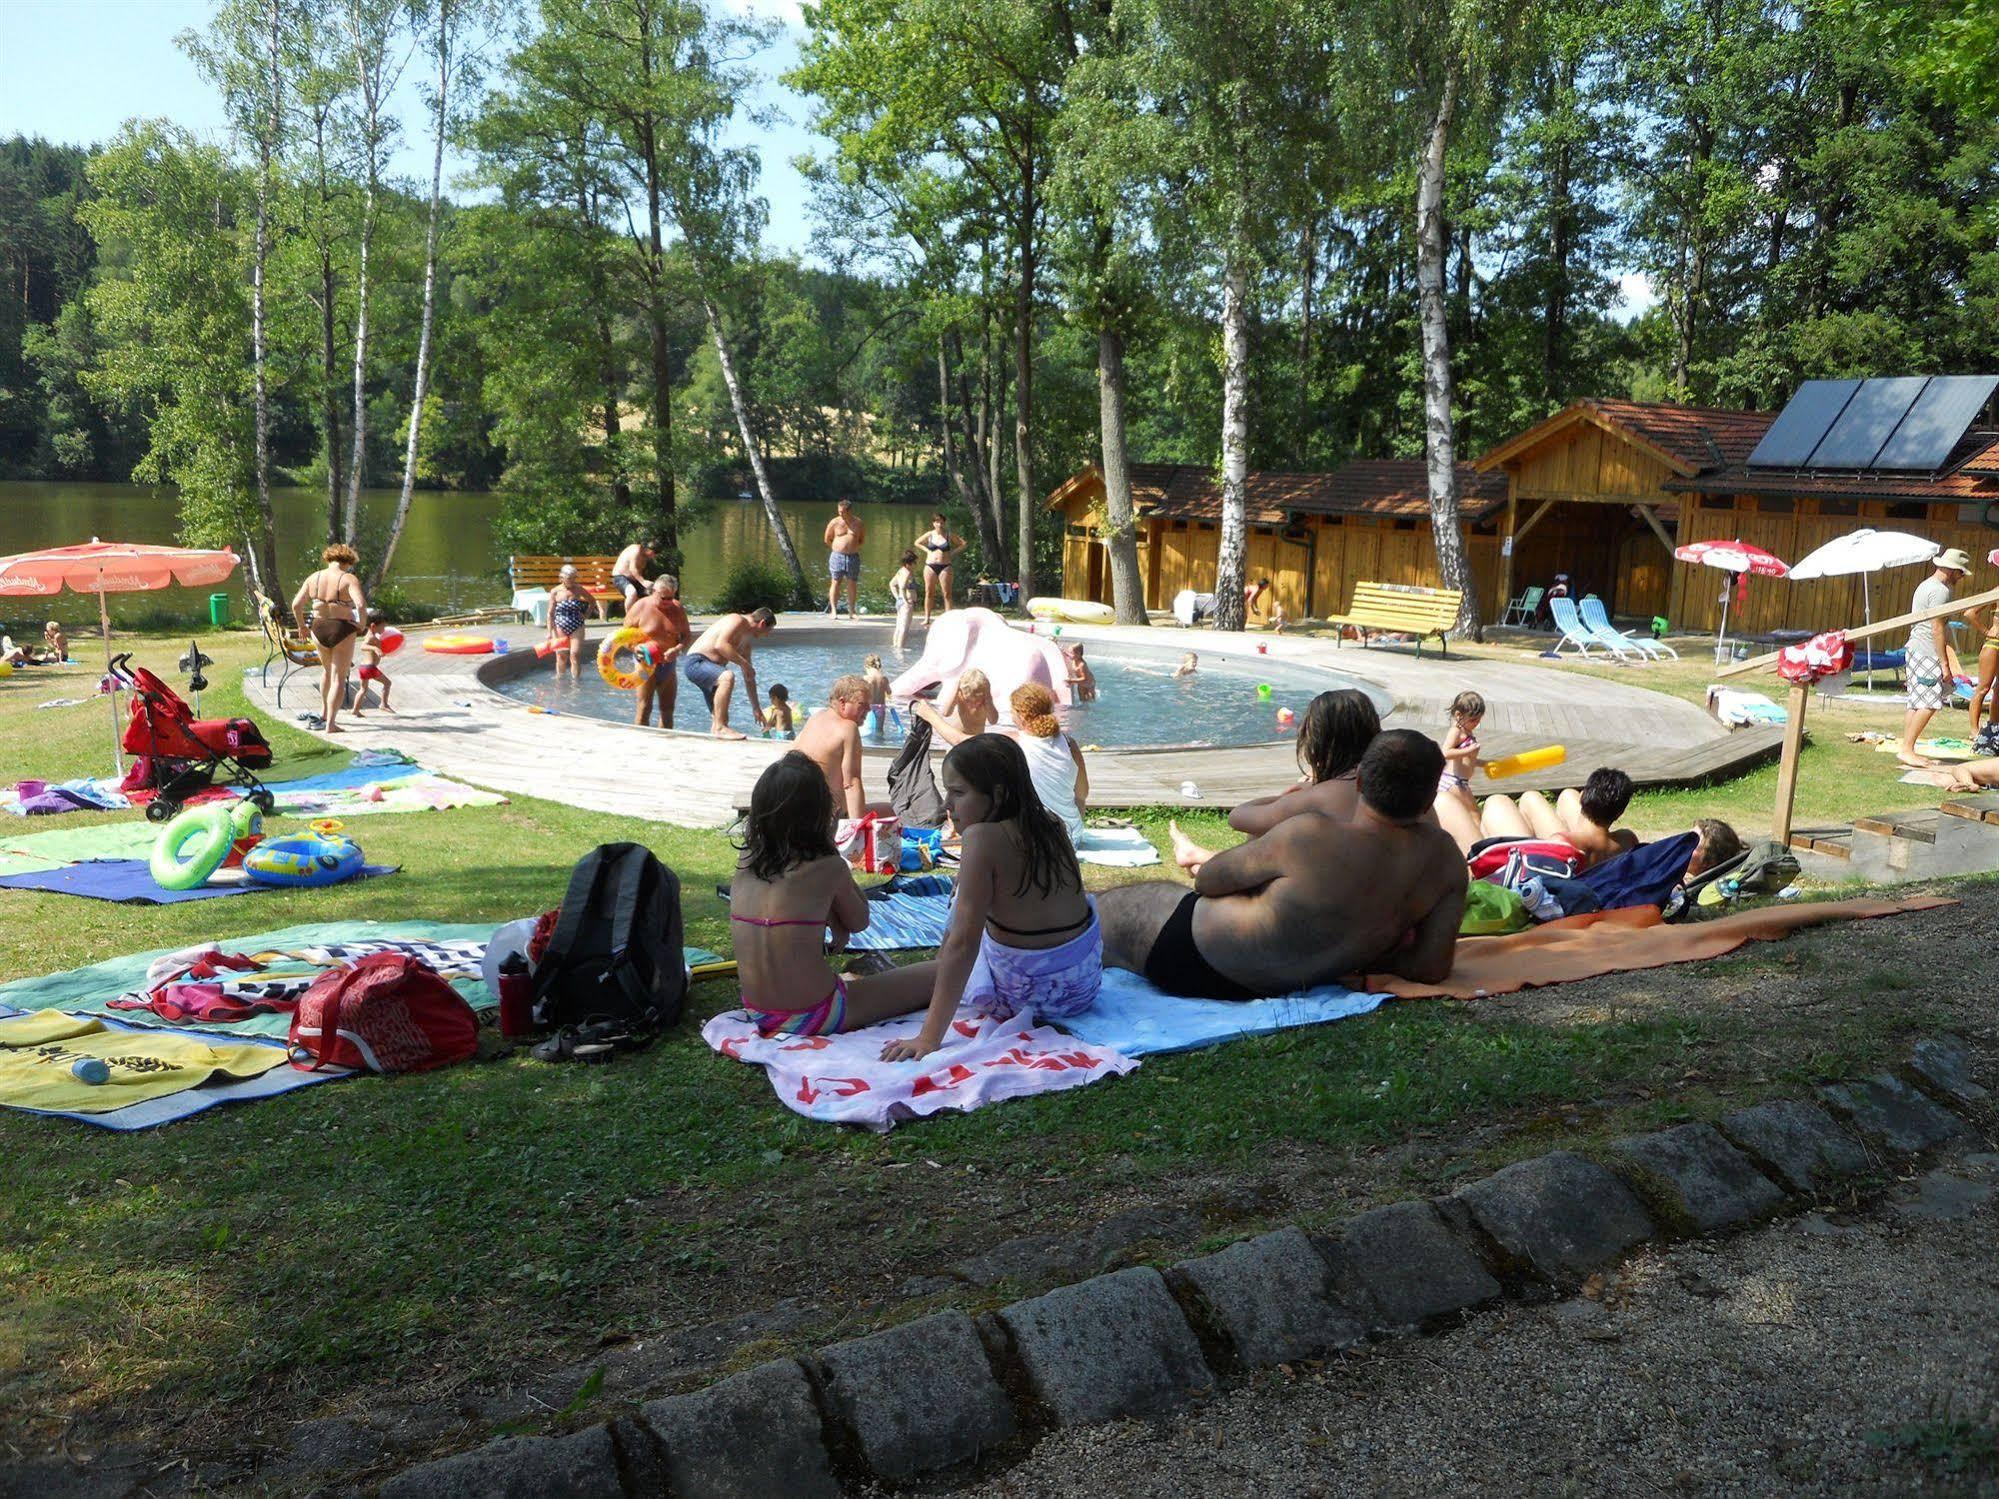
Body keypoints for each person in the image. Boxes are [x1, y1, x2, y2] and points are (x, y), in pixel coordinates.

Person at [1099, 729, 1467, 996]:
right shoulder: (1445, 861)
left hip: (1198, 956)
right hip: (1295, 981)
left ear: (1358, 784)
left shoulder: (1311, 835)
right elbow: (1431, 967)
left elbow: (1208, 880)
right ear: (1428, 799)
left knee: (1128, 904)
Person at [867, 735, 1102, 1062]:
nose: (947, 805)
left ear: (999, 794)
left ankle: (831, 1006)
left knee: (932, 967)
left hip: (1028, 997)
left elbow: (963, 944)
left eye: (958, 793)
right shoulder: (1052, 822)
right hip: (1081, 988)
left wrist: (928, 1036)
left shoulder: (982, 837)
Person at [727, 753, 921, 1040]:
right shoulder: (827, 866)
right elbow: (859, 921)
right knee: (937, 973)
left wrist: (832, 916)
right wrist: (831, 849)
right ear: (820, 814)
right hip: (816, 1013)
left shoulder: (748, 859)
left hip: (759, 1011)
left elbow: (794, 896)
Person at [1170, 687, 1381, 871]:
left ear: (1320, 740)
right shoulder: (1381, 779)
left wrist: (1290, 794)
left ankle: (1201, 859)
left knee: (1265, 833)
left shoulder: (1322, 795)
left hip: (1313, 880)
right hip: (1364, 873)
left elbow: (1239, 817)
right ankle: (1201, 859)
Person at [1475, 767, 1638, 868]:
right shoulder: (1627, 841)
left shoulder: (1562, 844)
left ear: (1582, 797)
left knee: (1496, 802)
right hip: (1593, 874)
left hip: (1560, 871)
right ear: (1619, 813)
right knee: (1533, 797)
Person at [1898, 549, 1970, 768]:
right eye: (1960, 573)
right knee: (1930, 703)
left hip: (1917, 649)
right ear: (1951, 569)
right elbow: (1937, 628)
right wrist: (1944, 663)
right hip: (1926, 650)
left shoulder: (1926, 584)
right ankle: (1907, 749)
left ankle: (1907, 748)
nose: (1961, 578)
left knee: (1917, 702)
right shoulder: (1940, 591)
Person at [290, 542, 367, 733]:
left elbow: (296, 605)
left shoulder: (314, 577)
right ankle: (331, 724)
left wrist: (302, 626)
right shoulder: (348, 578)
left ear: (329, 559)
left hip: (318, 627)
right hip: (341, 628)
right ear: (347, 562)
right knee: (339, 677)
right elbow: (361, 605)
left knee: (326, 672)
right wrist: (362, 625)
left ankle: (324, 714)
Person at [1002, 682, 1088, 843]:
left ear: (1021, 715)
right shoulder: (1069, 743)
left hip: (1034, 837)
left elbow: (961, 740)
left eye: (1012, 711)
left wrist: (937, 717)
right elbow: (1082, 795)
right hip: (1070, 837)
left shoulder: (1013, 741)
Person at [624, 576, 688, 729]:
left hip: (668, 664)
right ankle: (642, 747)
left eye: (670, 597)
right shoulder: (640, 606)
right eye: (663, 597)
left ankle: (666, 745)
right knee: (644, 707)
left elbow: (686, 635)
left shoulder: (677, 607)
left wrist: (677, 649)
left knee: (668, 710)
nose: (667, 601)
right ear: (653, 591)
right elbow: (623, 637)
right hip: (645, 664)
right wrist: (635, 648)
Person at [1434, 689, 1486, 828]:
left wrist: (1485, 763)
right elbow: (1445, 752)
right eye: (1473, 719)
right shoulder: (1456, 731)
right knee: (1474, 814)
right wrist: (1469, 750)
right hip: (1454, 781)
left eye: (1479, 719)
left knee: (1456, 813)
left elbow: (1468, 760)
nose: (1476, 723)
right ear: (1458, 715)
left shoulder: (1466, 731)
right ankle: (1477, 841)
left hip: (1457, 780)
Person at [912, 668, 998, 746]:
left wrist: (988, 699)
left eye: (977, 700)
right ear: (960, 692)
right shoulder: (958, 698)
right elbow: (945, 713)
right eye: (968, 700)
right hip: (954, 742)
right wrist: (956, 689)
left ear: (985, 695)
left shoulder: (986, 702)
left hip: (975, 744)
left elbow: (993, 721)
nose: (973, 704)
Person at [1964, 594, 1999, 755]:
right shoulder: (1998, 590)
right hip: (1994, 644)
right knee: (1983, 688)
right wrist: (1986, 631)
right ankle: (1974, 731)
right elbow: (1970, 613)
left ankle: (1994, 726)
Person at [544, 564, 591, 678]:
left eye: (574, 578)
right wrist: (549, 632)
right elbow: (550, 613)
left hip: (577, 624)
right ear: (562, 578)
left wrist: (586, 615)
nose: (573, 580)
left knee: (574, 654)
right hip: (560, 625)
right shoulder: (555, 591)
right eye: (570, 578)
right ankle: (560, 679)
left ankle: (576, 682)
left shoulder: (579, 589)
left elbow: (592, 601)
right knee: (561, 655)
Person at [917, 513, 962, 624]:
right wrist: (927, 550)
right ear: (933, 523)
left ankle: (948, 618)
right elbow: (917, 542)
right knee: (929, 592)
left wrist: (952, 553)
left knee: (947, 593)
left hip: (945, 566)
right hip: (930, 565)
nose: (940, 524)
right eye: (937, 522)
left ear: (944, 523)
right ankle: (927, 618)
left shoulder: (948, 535)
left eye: (942, 522)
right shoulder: (929, 534)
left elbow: (962, 544)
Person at [824, 499, 866, 620]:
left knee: (852, 583)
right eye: (839, 511)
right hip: (837, 556)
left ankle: (852, 611)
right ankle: (834, 610)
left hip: (853, 556)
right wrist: (837, 548)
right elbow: (827, 539)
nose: (840, 514)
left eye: (842, 512)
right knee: (836, 582)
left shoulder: (858, 523)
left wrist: (851, 547)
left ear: (849, 511)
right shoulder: (834, 522)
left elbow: (861, 540)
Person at [352, 612, 395, 716]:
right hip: (370, 668)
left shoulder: (373, 636)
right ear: (373, 626)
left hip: (363, 667)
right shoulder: (371, 637)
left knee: (363, 689)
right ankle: (383, 704)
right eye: (383, 626)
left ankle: (355, 710)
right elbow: (363, 646)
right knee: (387, 683)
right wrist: (375, 648)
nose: (384, 629)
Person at [610, 539, 656, 612]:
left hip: (634, 580)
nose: (653, 556)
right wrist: (643, 582)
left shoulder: (645, 556)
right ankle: (629, 619)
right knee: (632, 593)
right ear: (649, 549)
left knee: (654, 591)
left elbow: (639, 573)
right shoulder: (636, 550)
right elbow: (632, 569)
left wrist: (646, 586)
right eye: (654, 554)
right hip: (620, 577)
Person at [890, 548, 919, 653]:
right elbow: (902, 587)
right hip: (907, 603)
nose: (916, 564)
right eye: (914, 562)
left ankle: (896, 646)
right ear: (909, 563)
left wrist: (898, 597)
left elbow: (892, 584)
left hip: (900, 602)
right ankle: (900, 649)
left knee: (898, 627)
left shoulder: (900, 571)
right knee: (904, 628)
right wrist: (905, 601)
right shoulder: (907, 573)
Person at [861, 653, 893, 736]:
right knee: (879, 730)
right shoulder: (884, 679)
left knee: (867, 730)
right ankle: (880, 745)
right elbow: (889, 692)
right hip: (880, 707)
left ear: (867, 666)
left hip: (869, 707)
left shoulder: (866, 678)